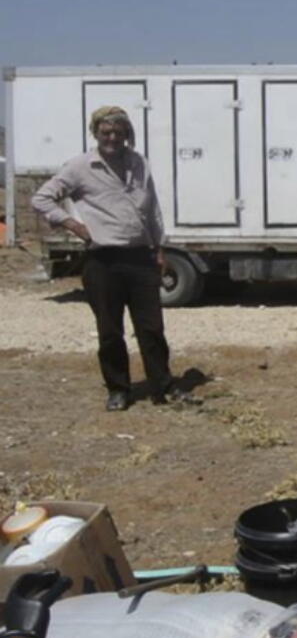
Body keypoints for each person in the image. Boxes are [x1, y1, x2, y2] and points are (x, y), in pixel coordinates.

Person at [31, 106, 186, 411]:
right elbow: (41, 198)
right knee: (110, 331)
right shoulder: (79, 167)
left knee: (152, 328)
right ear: (95, 133)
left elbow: (152, 210)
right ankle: (118, 389)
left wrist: (159, 249)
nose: (112, 137)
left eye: (118, 132)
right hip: (104, 261)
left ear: (127, 134)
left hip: (141, 258)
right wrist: (72, 224)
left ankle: (163, 386)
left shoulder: (139, 163)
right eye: (106, 132)